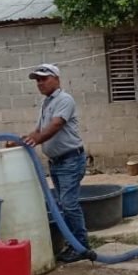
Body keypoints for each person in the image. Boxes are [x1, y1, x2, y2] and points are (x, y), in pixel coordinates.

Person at [23, 63, 89, 262]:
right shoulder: (46, 103)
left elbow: (56, 125)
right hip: (57, 162)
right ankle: (72, 244)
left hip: (71, 160)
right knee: (62, 204)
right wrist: (21, 140)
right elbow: (38, 130)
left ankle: (81, 246)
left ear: (56, 79)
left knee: (68, 204)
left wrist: (34, 141)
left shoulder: (64, 100)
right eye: (37, 80)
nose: (40, 83)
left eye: (44, 79)